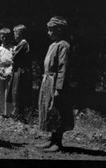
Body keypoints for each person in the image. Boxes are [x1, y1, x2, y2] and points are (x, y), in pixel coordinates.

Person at [36, 16, 74, 152]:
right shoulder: (53, 44)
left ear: (59, 30)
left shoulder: (63, 45)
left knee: (58, 111)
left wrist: (59, 88)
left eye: (51, 30)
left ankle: (58, 142)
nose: (48, 33)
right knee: (50, 111)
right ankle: (52, 139)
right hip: (48, 81)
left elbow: (63, 68)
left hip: (56, 83)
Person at [7, 24, 33, 123]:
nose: (14, 36)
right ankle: (19, 114)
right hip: (20, 71)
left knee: (18, 92)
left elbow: (14, 58)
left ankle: (19, 115)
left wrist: (12, 56)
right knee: (17, 91)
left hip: (21, 72)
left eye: (15, 33)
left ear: (20, 34)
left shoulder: (23, 43)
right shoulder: (23, 44)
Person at [0, 28, 15, 118]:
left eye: (6, 37)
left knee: (8, 92)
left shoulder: (13, 49)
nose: (4, 39)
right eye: (2, 37)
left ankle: (8, 112)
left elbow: (14, 62)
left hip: (9, 73)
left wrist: (8, 71)